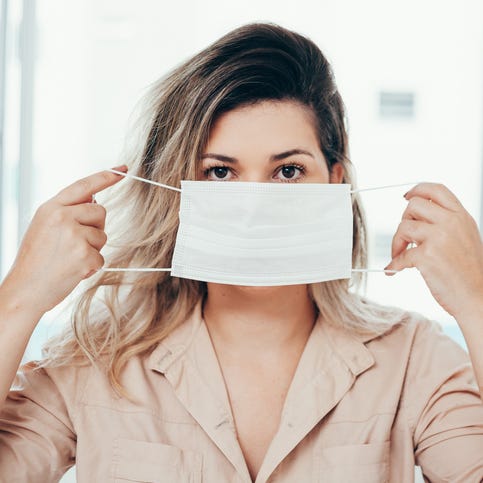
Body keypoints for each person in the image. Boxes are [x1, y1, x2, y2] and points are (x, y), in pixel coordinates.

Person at [1, 22, 483, 483]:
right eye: (220, 172)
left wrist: (476, 301)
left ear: (335, 180)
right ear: (177, 188)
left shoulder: (414, 361)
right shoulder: (92, 364)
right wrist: (19, 298)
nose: (254, 206)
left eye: (288, 171)